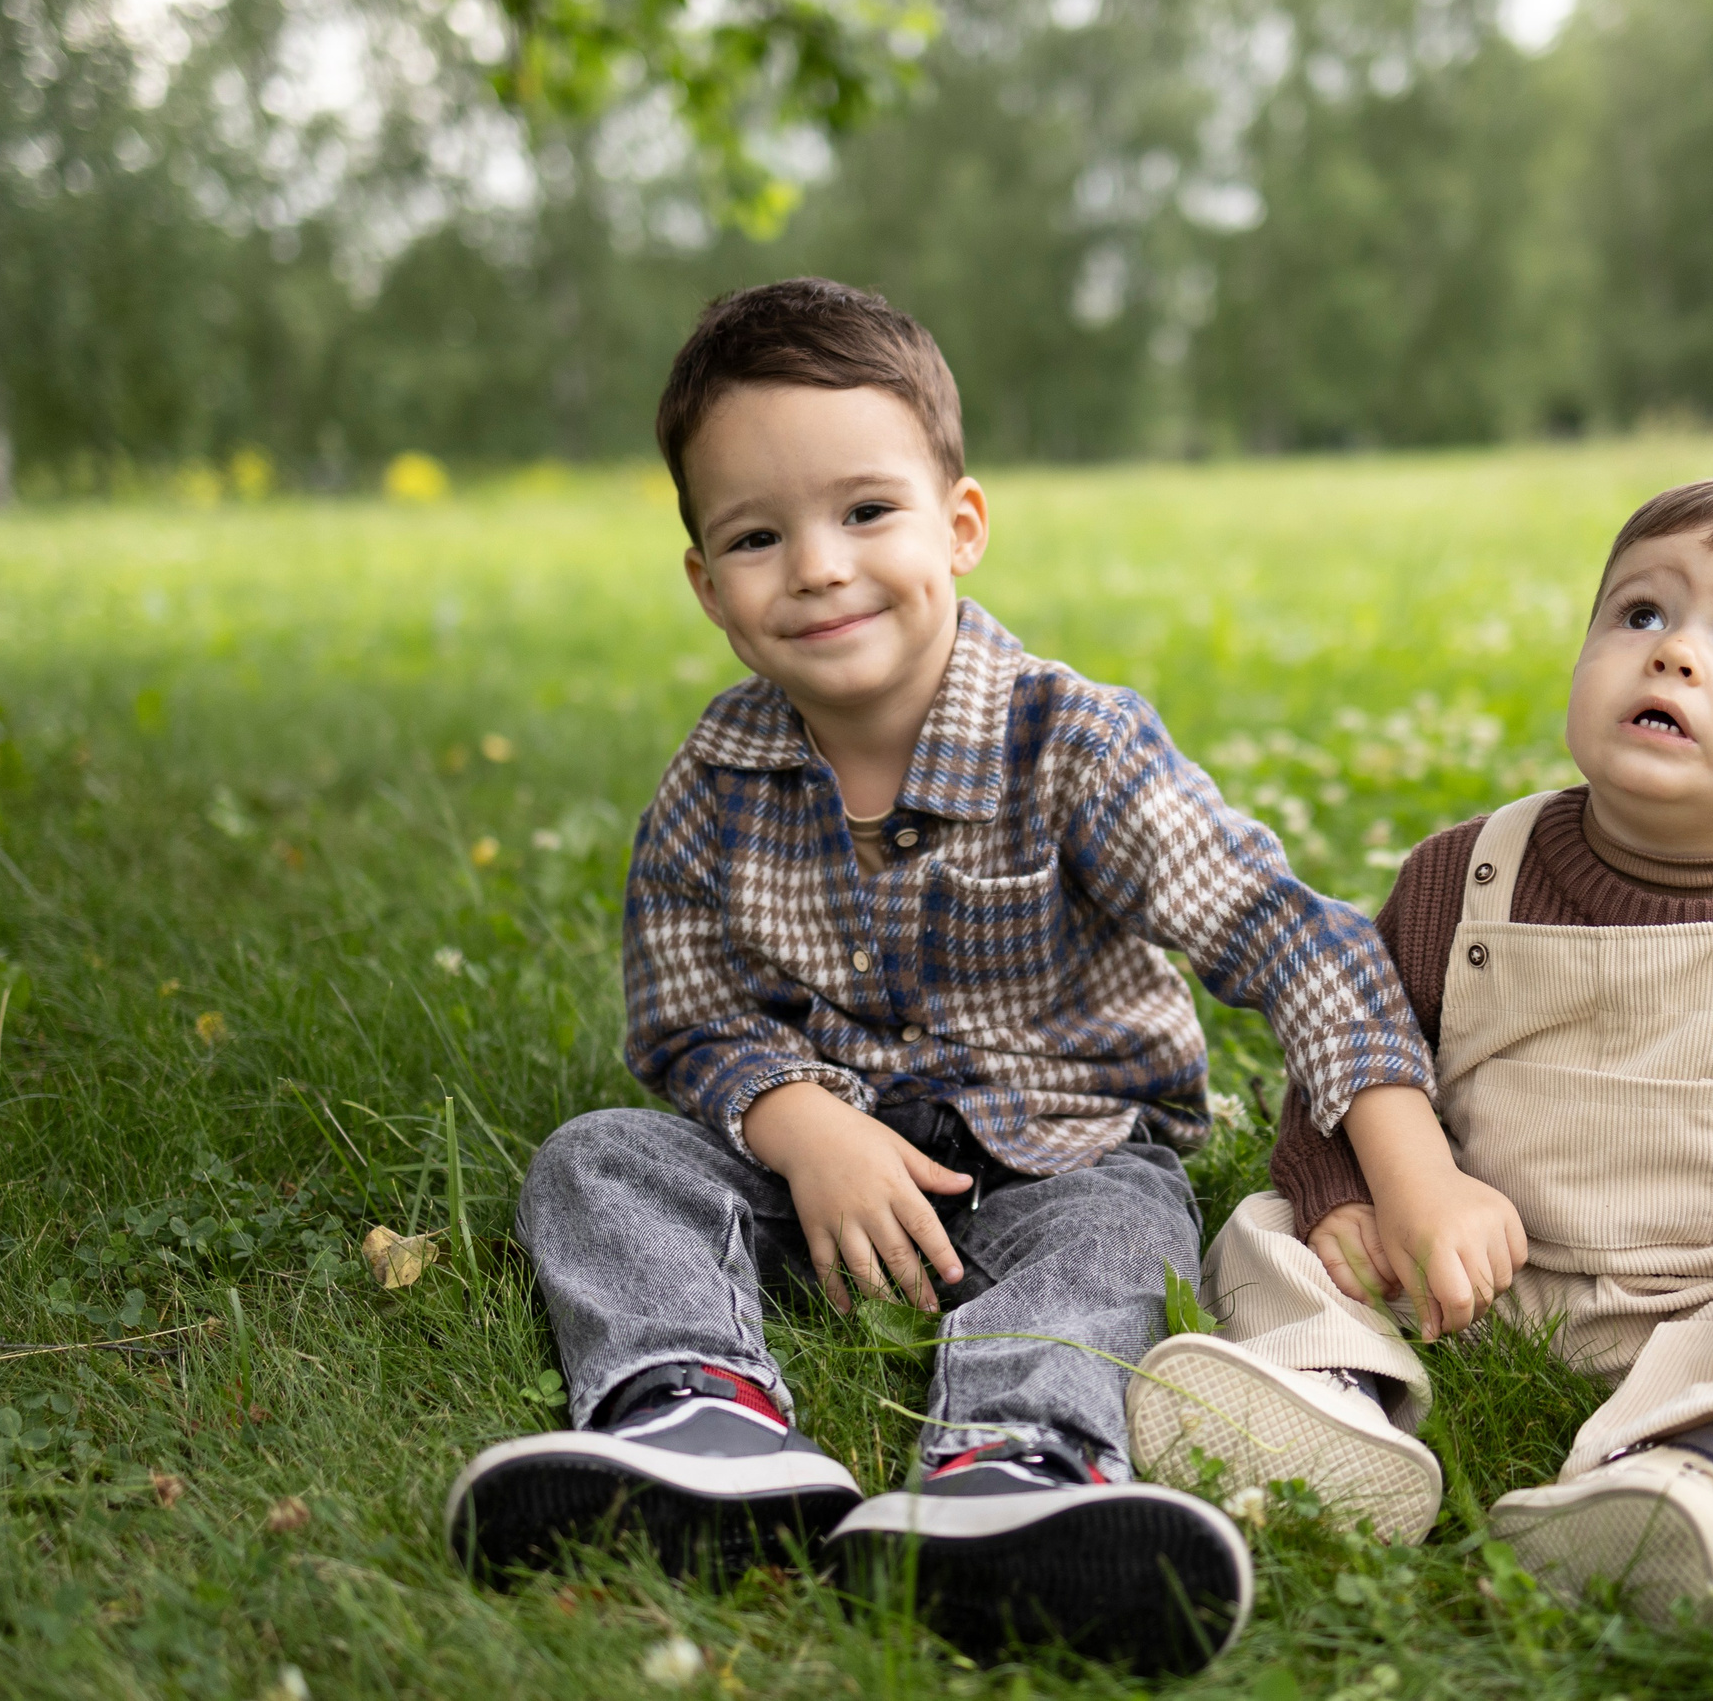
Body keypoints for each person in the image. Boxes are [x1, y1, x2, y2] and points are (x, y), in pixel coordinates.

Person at [442, 278, 1444, 1677]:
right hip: (820, 1181)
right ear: (708, 586)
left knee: (1118, 1239)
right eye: (756, 534)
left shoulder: (1071, 743)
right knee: (598, 1160)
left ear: (960, 525)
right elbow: (684, 1018)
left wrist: (1413, 1164)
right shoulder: (713, 784)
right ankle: (695, 1421)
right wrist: (803, 1128)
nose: (817, 564)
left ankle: (1017, 1469)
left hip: (1063, 1158)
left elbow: (1287, 931)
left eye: (866, 511)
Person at [1129, 473, 1713, 1624]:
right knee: (1270, 1234)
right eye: (1639, 614)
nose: (1672, 655)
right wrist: (1342, 1195)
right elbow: (1354, 1056)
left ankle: (1676, 1471)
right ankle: (1333, 1397)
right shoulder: (1460, 876)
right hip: (1463, 1275)